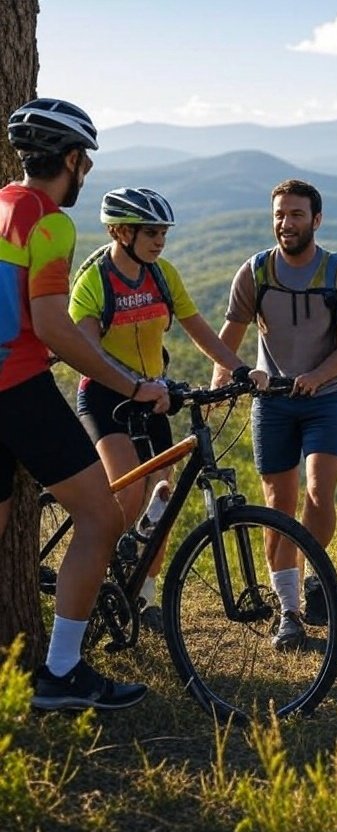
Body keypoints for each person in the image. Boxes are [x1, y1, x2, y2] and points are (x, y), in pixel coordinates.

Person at [0, 98, 169, 710]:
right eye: (86, 160)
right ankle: (62, 672)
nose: (88, 170)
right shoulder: (50, 222)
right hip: (18, 388)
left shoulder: (2, 204)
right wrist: (133, 385)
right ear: (71, 159)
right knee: (101, 518)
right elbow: (53, 324)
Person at [69, 187, 254, 632]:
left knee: (163, 502)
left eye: (163, 233)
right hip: (106, 396)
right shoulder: (94, 281)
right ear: (121, 231)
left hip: (154, 396)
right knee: (131, 492)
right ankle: (94, 588)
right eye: (151, 232)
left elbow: (198, 328)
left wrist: (239, 368)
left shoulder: (163, 275)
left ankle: (144, 598)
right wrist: (135, 387)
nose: (160, 241)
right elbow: (87, 352)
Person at [212, 179, 337, 651]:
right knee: (277, 507)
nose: (286, 223)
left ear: (316, 220)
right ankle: (289, 611)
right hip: (273, 403)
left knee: (318, 491)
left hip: (326, 399)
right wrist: (221, 381)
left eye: (296, 214)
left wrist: (316, 377)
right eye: (279, 214)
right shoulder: (256, 272)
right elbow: (230, 334)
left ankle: (312, 572)